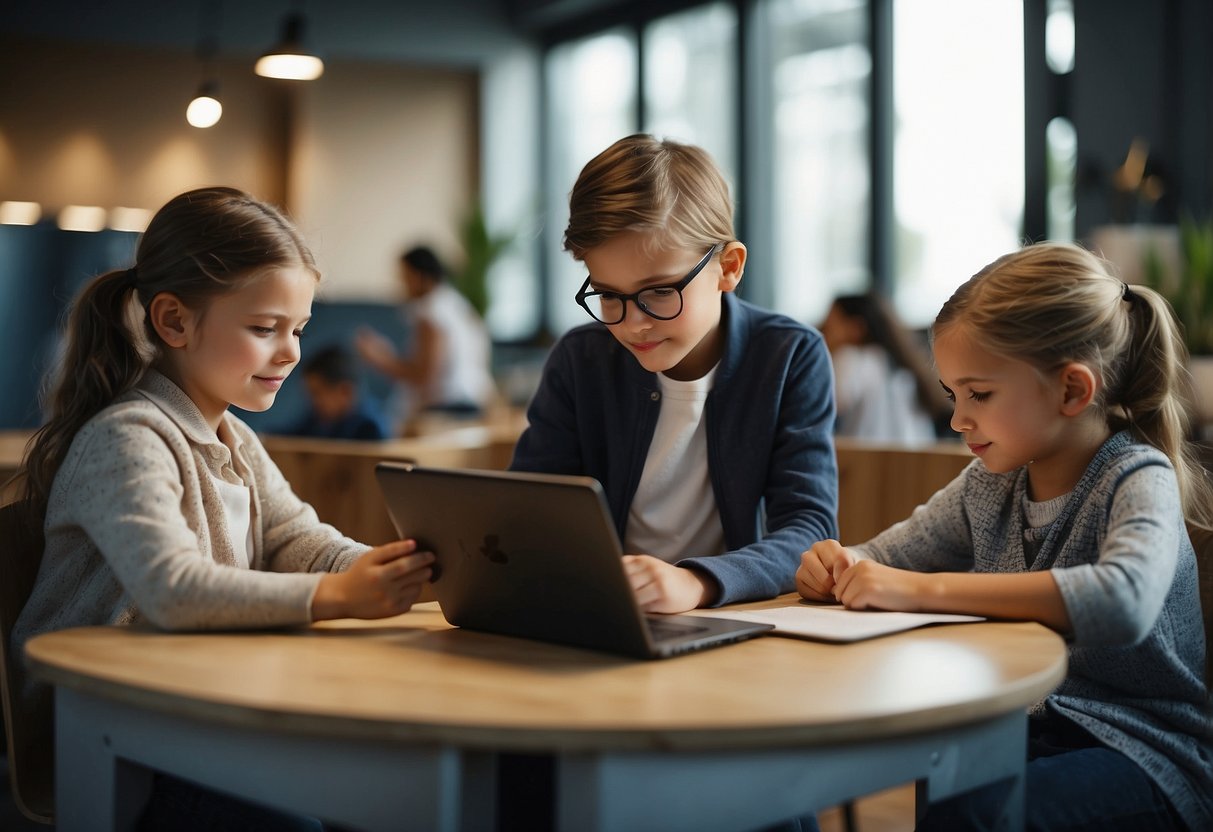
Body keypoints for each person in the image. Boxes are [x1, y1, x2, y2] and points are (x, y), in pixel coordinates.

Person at [10, 186, 435, 832]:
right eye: (265, 329)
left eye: (298, 330)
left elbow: (303, 541)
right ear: (175, 322)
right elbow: (171, 589)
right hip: (111, 743)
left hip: (193, 715)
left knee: (393, 800)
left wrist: (397, 566)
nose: (290, 353)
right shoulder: (127, 438)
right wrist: (339, 595)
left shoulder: (236, 439)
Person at [797, 242, 1213, 831]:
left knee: (972, 810)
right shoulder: (989, 485)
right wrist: (837, 564)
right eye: (952, 395)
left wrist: (923, 591)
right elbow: (885, 557)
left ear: (1072, 390)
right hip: (1024, 730)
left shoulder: (1139, 476)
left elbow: (1121, 601)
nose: (958, 419)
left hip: (1144, 754)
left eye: (980, 395)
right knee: (942, 790)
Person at [513, 133, 838, 613]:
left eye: (660, 292)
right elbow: (532, 510)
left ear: (728, 267)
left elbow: (808, 531)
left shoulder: (789, 355)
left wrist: (697, 582)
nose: (632, 322)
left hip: (730, 616)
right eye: (608, 295)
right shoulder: (581, 358)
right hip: (605, 613)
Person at [355, 245, 495, 432]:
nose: (401, 285)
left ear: (420, 277)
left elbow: (425, 377)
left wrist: (381, 359)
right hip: (476, 403)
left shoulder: (430, 314)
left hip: (448, 410)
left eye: (405, 277)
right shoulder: (456, 304)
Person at [818, 292, 949, 442]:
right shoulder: (902, 364)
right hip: (917, 457)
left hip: (868, 458)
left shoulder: (851, 359)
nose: (822, 333)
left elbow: (822, 404)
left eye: (828, 326)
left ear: (856, 328)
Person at [289, 343, 390, 440]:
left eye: (316, 393)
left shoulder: (370, 429)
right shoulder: (316, 421)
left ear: (345, 392)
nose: (311, 400)